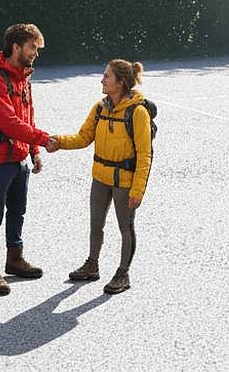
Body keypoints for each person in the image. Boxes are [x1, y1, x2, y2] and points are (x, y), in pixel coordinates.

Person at [46, 59, 153, 294]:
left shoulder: (138, 112)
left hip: (125, 181)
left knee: (125, 227)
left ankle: (123, 274)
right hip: (100, 178)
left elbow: (145, 154)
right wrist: (59, 142)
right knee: (96, 224)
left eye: (107, 76)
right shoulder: (99, 108)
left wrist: (138, 190)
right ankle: (92, 265)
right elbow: (83, 137)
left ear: (121, 82)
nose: (102, 80)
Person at [0, 22, 52, 296]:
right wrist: (43, 139)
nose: (36, 54)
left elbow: (27, 116)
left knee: (18, 212)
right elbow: (8, 122)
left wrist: (34, 151)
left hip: (19, 157)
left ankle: (15, 259)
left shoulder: (23, 77)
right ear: (16, 46)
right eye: (33, 47)